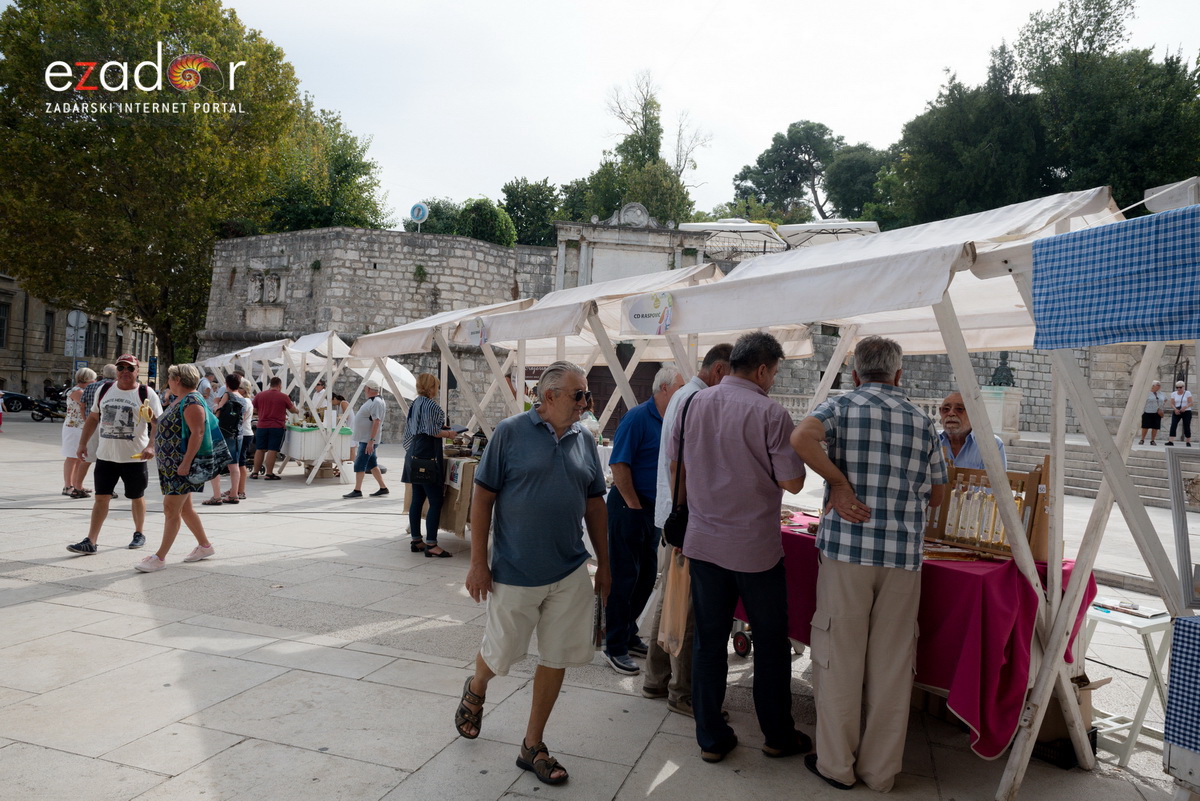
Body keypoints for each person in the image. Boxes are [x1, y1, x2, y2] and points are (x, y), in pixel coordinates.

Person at [790, 336, 947, 792]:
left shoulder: (843, 405)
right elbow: (938, 493)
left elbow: (801, 437)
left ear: (855, 373)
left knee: (839, 658)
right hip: (902, 558)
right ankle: (880, 772)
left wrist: (838, 482)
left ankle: (837, 765)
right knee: (893, 666)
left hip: (849, 553)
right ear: (899, 375)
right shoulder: (923, 420)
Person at [454, 361, 610, 787]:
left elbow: (596, 505)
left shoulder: (585, 439)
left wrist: (605, 566)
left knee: (557, 656)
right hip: (516, 571)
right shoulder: (509, 432)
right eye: (579, 395)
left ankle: (532, 745)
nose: (586, 402)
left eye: (587, 395)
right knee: (501, 654)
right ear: (549, 397)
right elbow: (482, 497)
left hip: (570, 569)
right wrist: (477, 563)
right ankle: (478, 685)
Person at [669, 332, 808, 764]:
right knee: (769, 641)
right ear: (763, 369)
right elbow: (793, 482)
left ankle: (710, 737)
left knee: (708, 641)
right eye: (774, 372)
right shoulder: (771, 413)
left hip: (705, 541)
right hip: (754, 549)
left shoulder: (695, 403)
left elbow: (678, 465)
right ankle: (776, 733)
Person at [642, 343, 732, 716]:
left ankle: (657, 677)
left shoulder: (683, 395)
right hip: (687, 519)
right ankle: (682, 691)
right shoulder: (697, 399)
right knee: (688, 607)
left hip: (675, 516)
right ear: (721, 371)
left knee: (670, 599)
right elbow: (684, 467)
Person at [603, 364, 684, 675]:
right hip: (630, 507)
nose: (681, 396)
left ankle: (628, 632)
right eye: (678, 389)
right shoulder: (638, 417)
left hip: (653, 509)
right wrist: (634, 505)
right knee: (625, 577)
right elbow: (619, 465)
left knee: (647, 575)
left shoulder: (672, 420)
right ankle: (614, 646)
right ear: (663, 389)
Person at [68, 354, 163, 554]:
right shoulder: (104, 390)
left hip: (134, 456)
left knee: (136, 496)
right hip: (106, 455)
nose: (125, 372)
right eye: (121, 368)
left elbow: (157, 424)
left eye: (130, 368)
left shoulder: (146, 393)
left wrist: (151, 446)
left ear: (137, 371)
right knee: (101, 497)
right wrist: (83, 443)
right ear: (116, 371)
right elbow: (93, 418)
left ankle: (139, 533)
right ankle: (91, 541)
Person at [136, 364, 216, 572]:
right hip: (173, 465)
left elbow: (197, 433)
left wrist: (186, 463)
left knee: (171, 509)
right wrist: (152, 418)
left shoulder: (192, 400)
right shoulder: (181, 400)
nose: (168, 382)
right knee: (185, 508)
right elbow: (169, 427)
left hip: (180, 466)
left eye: (170, 378)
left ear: (177, 379)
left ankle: (160, 557)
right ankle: (205, 546)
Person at [401, 373, 456, 554]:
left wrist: (441, 429)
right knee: (435, 499)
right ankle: (432, 544)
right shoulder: (431, 405)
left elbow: (419, 427)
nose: (437, 389)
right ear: (431, 387)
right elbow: (432, 430)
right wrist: (449, 434)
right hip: (427, 454)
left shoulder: (415, 403)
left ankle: (416, 540)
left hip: (414, 452)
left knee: (417, 498)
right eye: (436, 386)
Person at [71, 364, 116, 498]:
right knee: (110, 459)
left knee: (87, 459)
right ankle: (108, 489)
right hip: (108, 425)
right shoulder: (116, 387)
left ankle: (77, 487)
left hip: (92, 425)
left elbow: (82, 406)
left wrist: (87, 421)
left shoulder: (90, 386)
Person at [343, 379, 390, 500]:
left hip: (367, 440)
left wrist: (371, 440)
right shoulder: (374, 401)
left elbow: (377, 421)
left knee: (360, 464)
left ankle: (357, 490)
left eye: (365, 389)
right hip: (366, 439)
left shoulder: (376, 402)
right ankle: (383, 488)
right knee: (372, 464)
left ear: (369, 389)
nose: (365, 391)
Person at [938, 391, 1007, 470]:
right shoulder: (932, 440)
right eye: (946, 409)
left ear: (973, 414)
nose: (951, 413)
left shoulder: (992, 444)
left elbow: (997, 481)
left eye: (959, 409)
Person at [210, 373, 248, 505]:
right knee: (234, 465)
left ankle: (216, 496)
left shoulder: (227, 395)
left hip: (223, 433)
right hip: (238, 433)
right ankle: (234, 495)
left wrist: (216, 405)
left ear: (226, 384)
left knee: (217, 464)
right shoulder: (242, 398)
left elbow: (217, 413)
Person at [250, 376, 297, 479]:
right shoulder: (283, 396)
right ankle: (269, 473)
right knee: (272, 449)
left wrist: (262, 412)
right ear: (280, 386)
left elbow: (254, 409)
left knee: (259, 449)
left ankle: (255, 472)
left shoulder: (260, 395)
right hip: (276, 426)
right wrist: (298, 411)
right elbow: (293, 410)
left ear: (270, 385)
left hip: (261, 426)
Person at [61, 368, 96, 496]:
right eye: (93, 379)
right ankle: (67, 486)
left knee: (79, 458)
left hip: (80, 427)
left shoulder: (82, 391)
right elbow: (85, 405)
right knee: (71, 456)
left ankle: (77, 485)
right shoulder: (77, 391)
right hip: (73, 427)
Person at [1139, 380, 1166, 446]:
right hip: (1147, 411)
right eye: (1157, 385)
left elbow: (1165, 399)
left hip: (1157, 412)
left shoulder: (1161, 394)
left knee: (1155, 427)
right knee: (1145, 426)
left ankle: (1152, 440)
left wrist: (1161, 406)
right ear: (1153, 386)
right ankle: (1142, 439)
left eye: (1159, 385)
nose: (1159, 386)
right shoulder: (1147, 393)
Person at [1167, 380, 1193, 447]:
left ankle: (1188, 441)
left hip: (1186, 411)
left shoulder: (1187, 393)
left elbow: (1191, 403)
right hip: (1177, 410)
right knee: (1173, 424)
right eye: (1177, 387)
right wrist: (1175, 409)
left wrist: (1185, 407)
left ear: (1183, 387)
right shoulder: (1174, 394)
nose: (1179, 389)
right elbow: (1172, 404)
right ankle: (1171, 441)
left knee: (1186, 425)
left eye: (1180, 387)